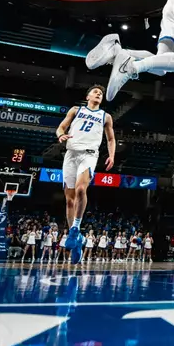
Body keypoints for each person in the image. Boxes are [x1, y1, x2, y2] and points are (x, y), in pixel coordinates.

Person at [56, 85, 115, 264]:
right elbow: (61, 127)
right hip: (71, 154)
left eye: (101, 93)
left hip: (89, 154)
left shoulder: (106, 116)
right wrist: (60, 135)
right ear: (88, 95)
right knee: (69, 200)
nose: (99, 94)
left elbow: (111, 138)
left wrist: (112, 155)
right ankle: (78, 242)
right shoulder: (76, 110)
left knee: (81, 190)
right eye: (96, 92)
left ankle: (75, 229)